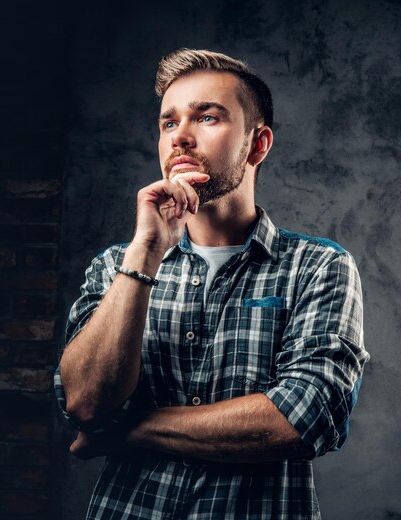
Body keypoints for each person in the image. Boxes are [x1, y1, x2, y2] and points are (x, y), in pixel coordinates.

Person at [55, 48, 370, 520]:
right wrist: (146, 251)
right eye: (168, 122)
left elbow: (304, 419)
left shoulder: (318, 266)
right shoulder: (115, 267)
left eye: (207, 117)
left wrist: (125, 430)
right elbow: (83, 403)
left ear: (257, 145)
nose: (180, 136)